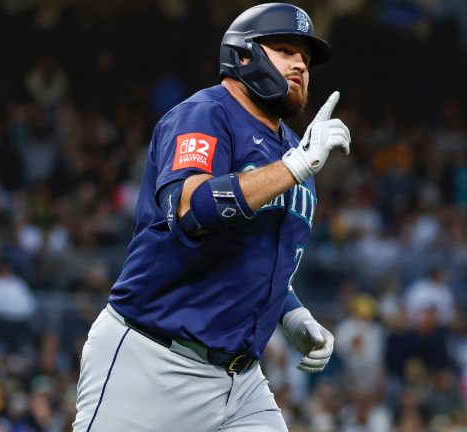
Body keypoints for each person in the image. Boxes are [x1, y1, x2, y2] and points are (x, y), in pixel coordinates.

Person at [73, 3, 351, 431]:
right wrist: (295, 168)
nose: (299, 64)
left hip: (240, 383)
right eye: (284, 50)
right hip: (152, 362)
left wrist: (292, 314)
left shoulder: (295, 148)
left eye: (306, 59)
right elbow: (190, 209)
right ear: (244, 56)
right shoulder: (207, 114)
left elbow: (261, 254)